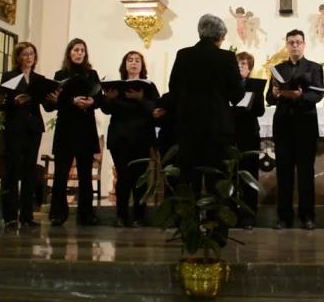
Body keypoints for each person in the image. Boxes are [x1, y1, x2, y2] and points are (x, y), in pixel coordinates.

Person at [169, 15, 245, 197]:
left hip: (188, 126)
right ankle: (216, 222)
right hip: (217, 128)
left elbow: (173, 88)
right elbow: (237, 95)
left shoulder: (183, 55)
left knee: (189, 177)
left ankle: (189, 222)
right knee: (216, 178)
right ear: (220, 36)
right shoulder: (226, 57)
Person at [266, 29, 324, 230]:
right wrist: (274, 93)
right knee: (284, 174)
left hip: (305, 126)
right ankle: (284, 217)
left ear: (304, 44)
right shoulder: (278, 69)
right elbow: (269, 98)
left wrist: (301, 96)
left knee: (306, 174)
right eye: (291, 42)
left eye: (298, 42)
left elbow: (318, 96)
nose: (295, 46)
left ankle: (307, 216)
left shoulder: (315, 68)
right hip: (283, 127)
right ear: (287, 45)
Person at [0, 42, 56, 230]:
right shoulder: (9, 77)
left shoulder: (38, 78)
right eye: (25, 54)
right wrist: (14, 101)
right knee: (12, 171)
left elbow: (46, 105)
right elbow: (1, 103)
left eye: (31, 54)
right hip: (15, 126)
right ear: (18, 57)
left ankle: (27, 215)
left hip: (33, 127)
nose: (29, 57)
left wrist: (53, 99)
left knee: (29, 171)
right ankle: (9, 216)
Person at [49, 38, 104, 227]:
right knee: (61, 173)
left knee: (85, 173)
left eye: (82, 50)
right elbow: (55, 100)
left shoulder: (92, 74)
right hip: (66, 126)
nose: (79, 53)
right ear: (69, 53)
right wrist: (72, 101)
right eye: (75, 50)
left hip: (85, 128)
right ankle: (58, 213)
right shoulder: (60, 74)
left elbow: (99, 99)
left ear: (85, 54)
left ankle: (86, 214)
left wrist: (92, 102)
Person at [102, 51, 159, 227]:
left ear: (142, 66)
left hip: (141, 137)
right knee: (123, 178)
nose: (133, 63)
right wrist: (109, 99)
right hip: (120, 137)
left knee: (140, 179)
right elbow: (105, 109)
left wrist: (140, 99)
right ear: (124, 64)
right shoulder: (116, 86)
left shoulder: (148, 86)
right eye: (130, 60)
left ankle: (139, 216)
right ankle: (121, 216)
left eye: (137, 61)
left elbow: (155, 109)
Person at [232, 51, 266, 229]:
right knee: (230, 175)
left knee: (249, 175)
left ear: (250, 69)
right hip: (230, 133)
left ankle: (248, 217)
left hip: (249, 133)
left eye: (244, 64)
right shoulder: (228, 85)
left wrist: (249, 104)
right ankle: (229, 215)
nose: (240, 67)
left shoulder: (254, 86)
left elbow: (260, 111)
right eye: (238, 64)